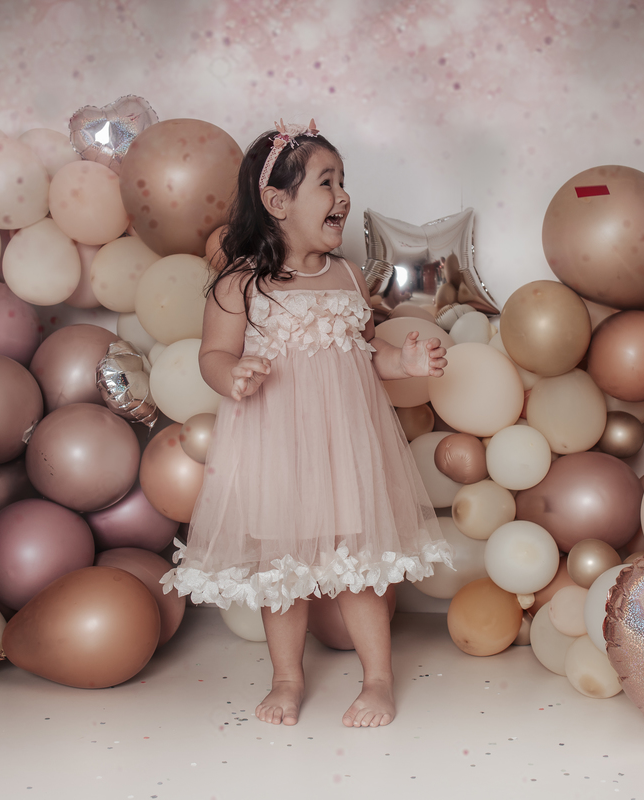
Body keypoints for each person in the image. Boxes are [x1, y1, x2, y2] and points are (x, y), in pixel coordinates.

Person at [162, 119, 452, 729]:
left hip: (344, 445)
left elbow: (364, 350)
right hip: (276, 447)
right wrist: (231, 373)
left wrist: (403, 362)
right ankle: (286, 678)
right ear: (277, 202)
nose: (343, 195)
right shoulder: (241, 283)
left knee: (360, 567)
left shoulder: (346, 275)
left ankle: (378, 680)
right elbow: (212, 354)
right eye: (327, 182)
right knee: (282, 571)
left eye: (343, 181)